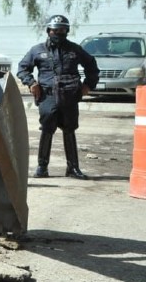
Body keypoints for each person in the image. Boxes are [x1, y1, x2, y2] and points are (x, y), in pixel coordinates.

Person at [16, 14, 100, 180]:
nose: (58, 33)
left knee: (69, 130)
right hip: (48, 96)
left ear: (67, 31)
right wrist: (32, 83)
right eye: (55, 30)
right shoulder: (37, 50)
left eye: (62, 30)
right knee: (47, 129)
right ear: (49, 31)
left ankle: (73, 168)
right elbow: (22, 69)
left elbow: (92, 66)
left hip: (70, 96)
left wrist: (88, 85)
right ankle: (42, 167)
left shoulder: (75, 49)